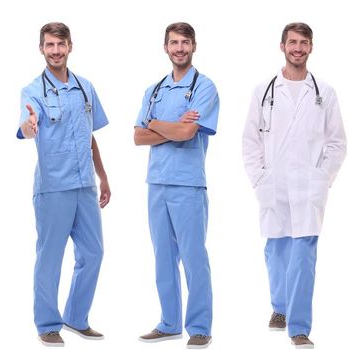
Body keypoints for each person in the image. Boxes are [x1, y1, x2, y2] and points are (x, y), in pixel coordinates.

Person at [242, 22, 346, 349]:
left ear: (311, 47)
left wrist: (321, 179)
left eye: (303, 43)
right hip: (273, 184)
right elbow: (249, 141)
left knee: (303, 258)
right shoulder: (264, 90)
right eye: (292, 42)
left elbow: (337, 143)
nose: (298, 48)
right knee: (276, 252)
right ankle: (279, 307)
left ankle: (299, 327)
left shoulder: (324, 93)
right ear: (282, 46)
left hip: (308, 188)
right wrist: (260, 178)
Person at [18, 22, 111, 347]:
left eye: (60, 44)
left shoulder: (85, 88)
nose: (55, 51)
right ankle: (47, 323)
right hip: (53, 187)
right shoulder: (32, 91)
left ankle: (76, 316)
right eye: (49, 45)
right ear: (41, 49)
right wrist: (30, 125)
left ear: (70, 46)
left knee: (94, 252)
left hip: (85, 184)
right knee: (50, 256)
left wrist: (103, 177)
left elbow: (90, 135)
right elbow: (27, 126)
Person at [133, 22, 218, 350]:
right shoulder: (154, 90)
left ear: (194, 46)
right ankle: (169, 323)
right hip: (157, 183)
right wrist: (169, 126)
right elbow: (137, 137)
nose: (179, 48)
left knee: (194, 256)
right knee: (163, 256)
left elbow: (187, 134)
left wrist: (154, 124)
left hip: (187, 184)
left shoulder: (204, 87)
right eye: (173, 42)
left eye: (185, 42)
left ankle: (199, 327)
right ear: (165, 47)